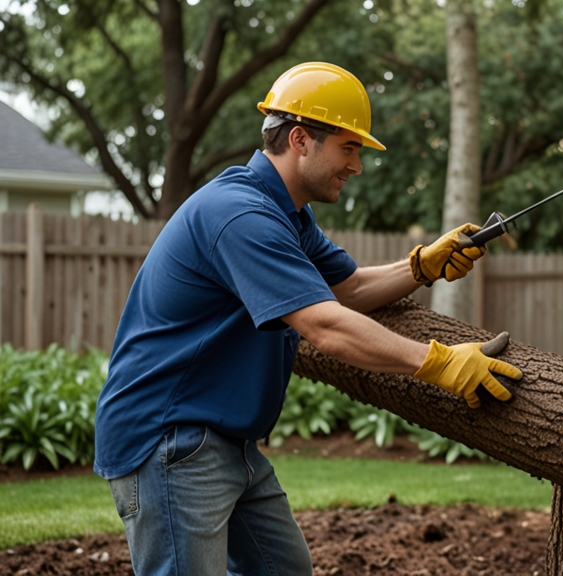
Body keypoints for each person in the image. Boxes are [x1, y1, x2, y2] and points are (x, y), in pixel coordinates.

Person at [92, 62, 522, 576]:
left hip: (224, 438)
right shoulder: (241, 215)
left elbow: (350, 289)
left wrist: (421, 265)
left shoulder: (287, 214)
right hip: (172, 438)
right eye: (349, 147)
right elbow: (326, 325)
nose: (357, 165)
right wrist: (441, 363)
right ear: (300, 139)